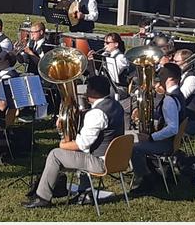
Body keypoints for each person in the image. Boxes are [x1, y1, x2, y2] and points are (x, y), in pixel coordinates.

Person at [23, 76, 125, 208]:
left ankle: (42, 197)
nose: (85, 91)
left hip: (101, 162)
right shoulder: (116, 105)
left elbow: (82, 145)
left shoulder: (96, 113)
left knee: (55, 154)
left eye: (87, 88)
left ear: (93, 91)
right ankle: (84, 190)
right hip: (117, 159)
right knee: (72, 153)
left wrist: (63, 142)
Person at [130, 63, 186, 195]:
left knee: (134, 148)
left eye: (162, 74)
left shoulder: (169, 100)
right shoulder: (179, 94)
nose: (158, 76)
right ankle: (154, 174)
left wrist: (150, 137)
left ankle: (146, 180)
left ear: (171, 78)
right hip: (170, 142)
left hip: (166, 144)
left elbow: (173, 128)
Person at [172, 49, 195, 135]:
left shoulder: (192, 79)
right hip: (179, 118)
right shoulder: (181, 76)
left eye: (176, 61)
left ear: (186, 63)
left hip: (188, 123)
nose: (173, 63)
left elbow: (178, 99)